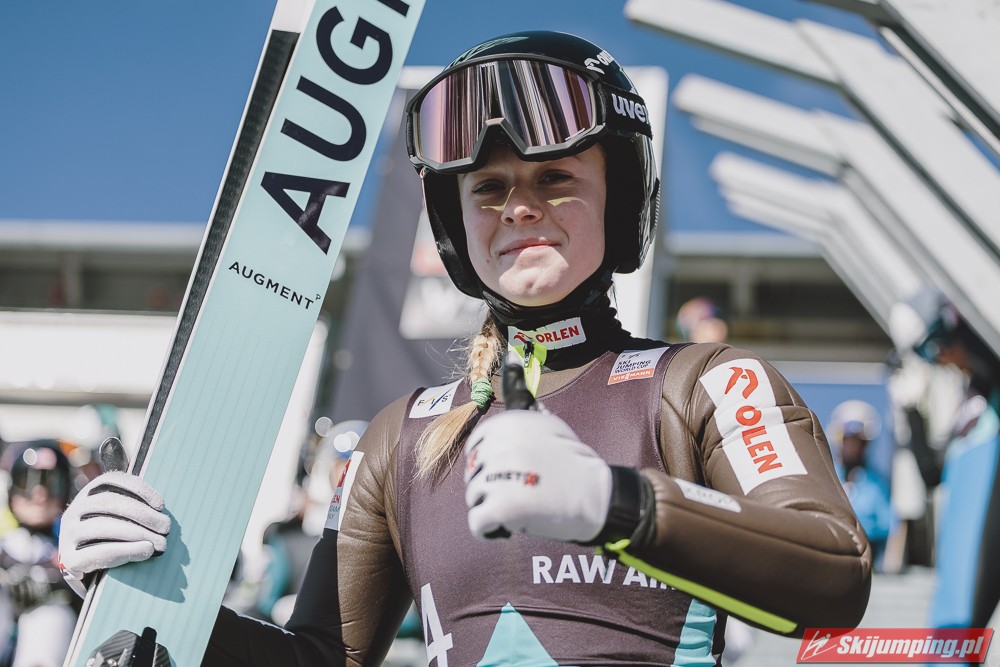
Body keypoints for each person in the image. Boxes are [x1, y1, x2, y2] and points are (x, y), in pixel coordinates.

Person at [57, 31, 871, 665]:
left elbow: (835, 575)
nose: (518, 207)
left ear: (622, 200)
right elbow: (319, 660)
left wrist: (611, 503)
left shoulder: (703, 383)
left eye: (555, 177)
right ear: (453, 230)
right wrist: (143, 598)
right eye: (487, 188)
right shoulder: (400, 437)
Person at [891, 289, 1000, 634]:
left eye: (938, 344)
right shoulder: (969, 403)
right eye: (929, 354)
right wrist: (910, 412)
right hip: (958, 581)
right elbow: (933, 473)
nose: (942, 358)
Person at [0, 440, 80, 667]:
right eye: (28, 481)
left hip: (48, 651)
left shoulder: (71, 555)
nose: (39, 493)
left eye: (50, 483)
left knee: (51, 616)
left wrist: (48, 585)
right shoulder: (5, 549)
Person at [827, 400, 894, 571]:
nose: (854, 447)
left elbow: (888, 525)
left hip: (863, 563)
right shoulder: (824, 475)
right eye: (849, 440)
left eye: (859, 442)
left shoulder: (877, 485)